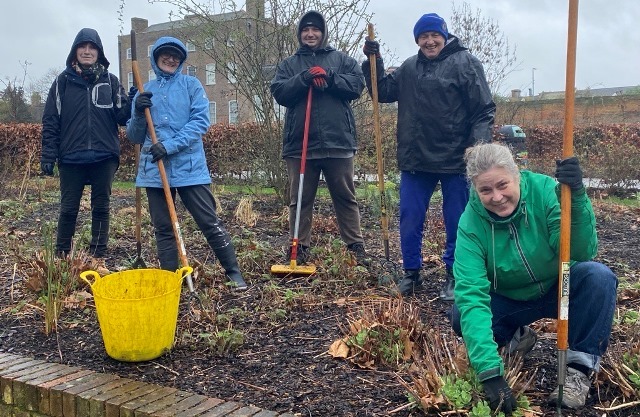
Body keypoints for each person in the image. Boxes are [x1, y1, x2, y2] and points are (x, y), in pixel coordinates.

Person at [450, 143, 618, 413]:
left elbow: (582, 251)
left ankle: (577, 370)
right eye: (486, 190)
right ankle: (518, 338)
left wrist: (575, 198)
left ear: (517, 175)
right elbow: (471, 293)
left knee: (597, 277)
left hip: (559, 287)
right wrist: (490, 373)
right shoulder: (471, 224)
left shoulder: (545, 191)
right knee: (460, 314)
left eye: (503, 185)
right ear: (475, 190)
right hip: (510, 299)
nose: (497, 197)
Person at [362, 13, 495, 298]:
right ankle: (411, 273)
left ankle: (455, 274)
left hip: (455, 159)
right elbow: (382, 91)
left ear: (444, 37)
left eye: (435, 35)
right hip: (416, 159)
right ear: (417, 40)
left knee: (458, 219)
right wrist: (374, 62)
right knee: (409, 216)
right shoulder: (410, 68)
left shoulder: (466, 64)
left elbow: (483, 110)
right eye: (424, 36)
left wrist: (478, 149)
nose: (430, 41)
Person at [126, 36, 247, 291]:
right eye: (165, 55)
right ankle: (171, 281)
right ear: (156, 59)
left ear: (181, 60)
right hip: (154, 172)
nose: (170, 59)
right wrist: (137, 110)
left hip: (190, 169)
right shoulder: (144, 89)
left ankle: (233, 272)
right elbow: (135, 136)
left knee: (209, 221)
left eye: (175, 56)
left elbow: (200, 123)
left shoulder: (192, 86)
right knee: (163, 228)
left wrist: (169, 146)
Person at [270, 10, 370, 267]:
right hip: (300, 144)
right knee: (300, 198)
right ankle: (299, 246)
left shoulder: (340, 59)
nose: (310, 34)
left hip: (338, 142)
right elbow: (280, 92)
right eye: (305, 30)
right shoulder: (289, 65)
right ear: (300, 34)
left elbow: (357, 86)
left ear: (323, 32)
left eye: (315, 29)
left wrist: (330, 77)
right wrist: (304, 79)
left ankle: (355, 246)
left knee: (346, 196)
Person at [41, 28, 131, 263]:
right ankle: (62, 255)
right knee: (68, 208)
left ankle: (97, 254)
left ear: (99, 52)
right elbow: (51, 120)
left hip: (104, 155)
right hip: (71, 156)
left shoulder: (111, 81)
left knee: (101, 206)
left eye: (92, 47)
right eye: (83, 47)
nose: (87, 51)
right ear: (75, 51)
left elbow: (122, 117)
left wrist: (134, 103)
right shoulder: (62, 82)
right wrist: (49, 154)